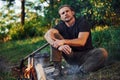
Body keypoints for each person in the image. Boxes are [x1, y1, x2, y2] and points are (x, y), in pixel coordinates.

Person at [44, 4, 108, 77]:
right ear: (61, 17)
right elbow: (47, 35)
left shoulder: (82, 23)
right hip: (70, 54)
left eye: (67, 11)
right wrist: (57, 45)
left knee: (102, 52)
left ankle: (80, 70)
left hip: (87, 55)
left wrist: (64, 41)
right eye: (63, 13)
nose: (65, 14)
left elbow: (81, 41)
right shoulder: (60, 26)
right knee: (53, 36)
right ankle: (57, 69)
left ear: (72, 12)